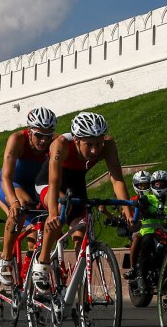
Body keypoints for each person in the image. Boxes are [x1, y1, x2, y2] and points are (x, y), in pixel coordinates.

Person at [31, 111, 135, 290]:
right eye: (89, 145)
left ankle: (77, 283)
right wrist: (53, 213)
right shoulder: (61, 144)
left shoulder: (108, 145)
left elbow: (117, 178)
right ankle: (42, 263)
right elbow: (54, 181)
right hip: (50, 182)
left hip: (76, 181)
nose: (95, 150)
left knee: (81, 231)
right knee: (58, 214)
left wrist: (128, 211)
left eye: (98, 144)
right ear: (77, 140)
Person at [0, 107, 56, 284]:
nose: (44, 141)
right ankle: (5, 259)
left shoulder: (54, 142)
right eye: (38, 135)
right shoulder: (17, 139)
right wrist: (12, 202)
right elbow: (6, 176)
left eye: (48, 136)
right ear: (29, 131)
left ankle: (29, 267)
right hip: (11, 184)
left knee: (38, 236)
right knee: (21, 206)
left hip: (34, 186)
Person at [128, 169, 167, 294]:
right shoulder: (147, 197)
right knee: (146, 242)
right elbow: (140, 203)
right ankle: (141, 276)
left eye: (162, 184)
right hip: (147, 231)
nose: (159, 186)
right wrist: (141, 204)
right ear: (152, 184)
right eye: (156, 184)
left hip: (165, 231)